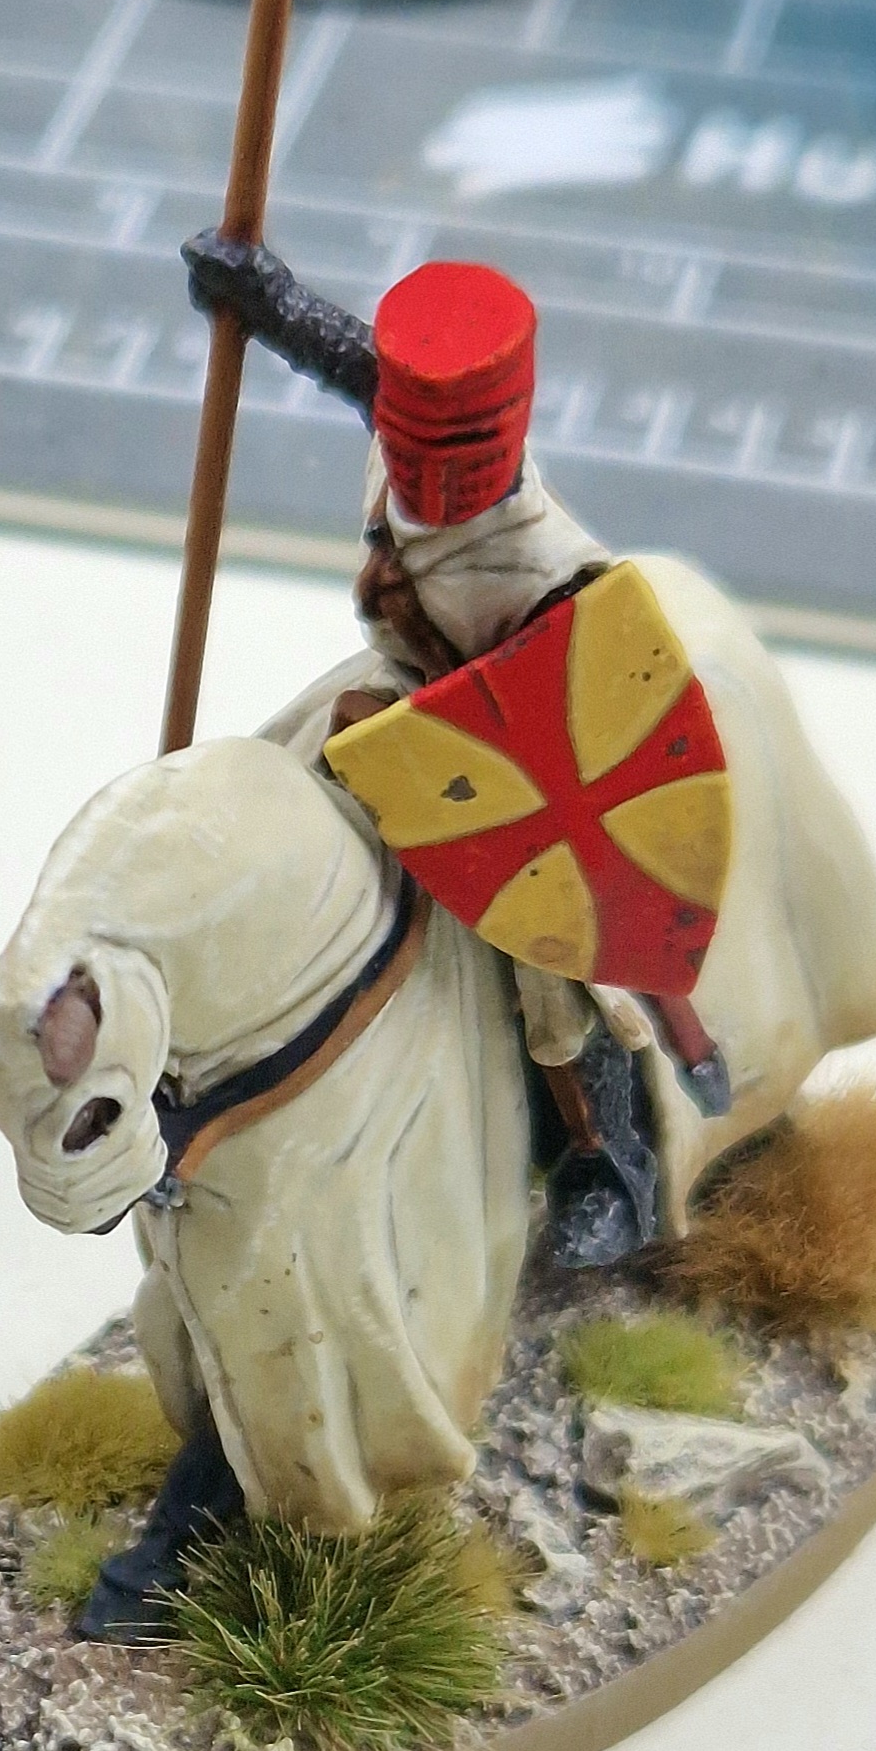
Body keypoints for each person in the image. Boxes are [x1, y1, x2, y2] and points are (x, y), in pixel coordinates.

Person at [185, 231, 672, 1268]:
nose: (420, 478)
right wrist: (260, 292)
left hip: (511, 760)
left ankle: (608, 1165)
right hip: (395, 699)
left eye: (441, 459)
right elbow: (355, 362)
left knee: (557, 978)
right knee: (252, 777)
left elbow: (590, 723)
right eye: (409, 451)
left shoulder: (552, 570)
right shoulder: (402, 435)